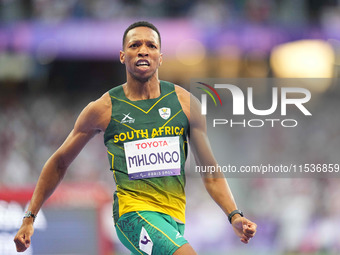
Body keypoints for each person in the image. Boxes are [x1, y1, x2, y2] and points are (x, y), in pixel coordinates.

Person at [14, 21, 257, 254]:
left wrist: (234, 215)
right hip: (131, 215)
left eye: (151, 46)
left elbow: (211, 172)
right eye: (134, 45)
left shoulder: (185, 104)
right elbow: (59, 162)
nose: (143, 51)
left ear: (160, 57)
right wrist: (29, 217)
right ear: (122, 56)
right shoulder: (103, 109)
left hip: (173, 219)